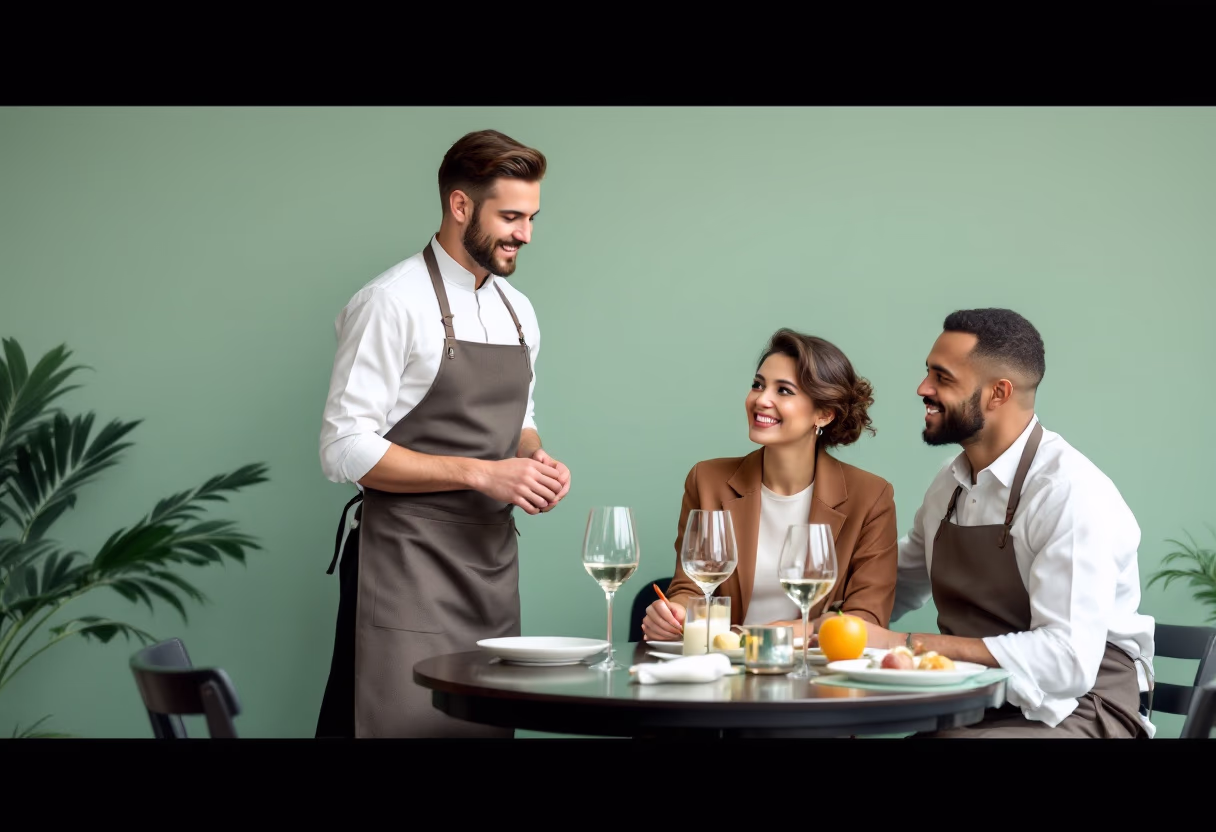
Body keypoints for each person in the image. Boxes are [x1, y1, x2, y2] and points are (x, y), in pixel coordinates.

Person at [315, 129, 572, 738]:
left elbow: (520, 422)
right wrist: (482, 473)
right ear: (460, 206)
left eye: (532, 217)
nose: (525, 234)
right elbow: (342, 448)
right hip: (404, 567)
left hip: (489, 563)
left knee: (480, 730)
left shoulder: (519, 309)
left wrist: (535, 461)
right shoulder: (389, 302)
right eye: (510, 216)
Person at [866, 308, 1155, 737]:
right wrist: (814, 623)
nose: (922, 388)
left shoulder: (1068, 492)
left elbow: (1067, 661)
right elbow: (896, 582)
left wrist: (907, 644)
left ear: (998, 393)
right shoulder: (950, 481)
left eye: (942, 378)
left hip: (1081, 707)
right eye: (927, 372)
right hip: (980, 702)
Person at [641, 328, 898, 642]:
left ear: (824, 414)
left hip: (815, 676)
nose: (761, 399)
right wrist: (676, 613)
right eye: (758, 385)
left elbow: (866, 618)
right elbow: (690, 587)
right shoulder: (707, 480)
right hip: (725, 672)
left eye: (784, 391)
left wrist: (770, 634)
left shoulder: (870, 497)